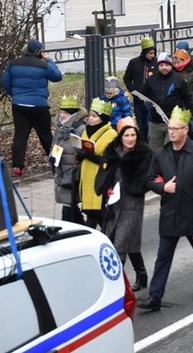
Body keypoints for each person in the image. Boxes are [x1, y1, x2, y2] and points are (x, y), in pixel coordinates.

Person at [138, 107, 193, 311]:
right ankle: (155, 296)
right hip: (171, 213)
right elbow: (148, 179)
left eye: (175, 128)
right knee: (163, 256)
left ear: (186, 130)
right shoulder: (161, 154)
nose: (171, 132)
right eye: (169, 128)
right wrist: (163, 187)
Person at [94, 118, 153, 291]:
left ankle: (115, 284)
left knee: (122, 240)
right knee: (127, 239)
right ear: (121, 136)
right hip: (114, 202)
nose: (130, 138)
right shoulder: (112, 151)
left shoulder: (144, 154)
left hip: (133, 202)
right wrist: (107, 190)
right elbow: (105, 175)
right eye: (126, 135)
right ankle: (141, 275)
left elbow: (147, 178)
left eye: (133, 135)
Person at [1, 39, 63, 176]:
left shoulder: (13, 63)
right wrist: (49, 61)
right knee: (46, 135)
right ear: (39, 51)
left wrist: (15, 95)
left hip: (19, 105)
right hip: (39, 105)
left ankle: (17, 167)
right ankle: (56, 163)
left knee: (20, 135)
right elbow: (58, 76)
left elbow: (5, 82)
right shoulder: (43, 65)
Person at [139, 52, 193, 150]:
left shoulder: (178, 79)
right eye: (161, 65)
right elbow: (142, 95)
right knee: (154, 150)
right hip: (155, 122)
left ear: (171, 65)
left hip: (173, 121)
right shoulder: (151, 80)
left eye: (167, 65)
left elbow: (187, 97)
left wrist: (191, 116)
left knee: (171, 149)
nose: (164, 67)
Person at [76, 98, 117, 229]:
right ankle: (109, 236)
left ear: (102, 118)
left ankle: (109, 237)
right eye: (89, 116)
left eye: (94, 116)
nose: (90, 119)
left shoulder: (111, 134)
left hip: (100, 179)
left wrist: (88, 155)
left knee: (95, 213)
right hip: (86, 177)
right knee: (92, 213)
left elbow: (110, 159)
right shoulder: (85, 131)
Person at [50, 95, 87, 223]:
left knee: (68, 205)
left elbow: (82, 151)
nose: (62, 115)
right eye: (61, 112)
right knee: (70, 204)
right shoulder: (60, 127)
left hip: (72, 171)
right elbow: (54, 145)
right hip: (61, 169)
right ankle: (84, 229)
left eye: (65, 113)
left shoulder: (80, 129)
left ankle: (66, 230)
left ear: (72, 114)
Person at [123, 36, 158, 142]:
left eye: (154, 53)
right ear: (144, 52)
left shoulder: (156, 63)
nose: (152, 56)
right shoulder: (134, 63)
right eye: (150, 53)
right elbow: (127, 78)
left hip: (151, 100)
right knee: (142, 126)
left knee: (149, 126)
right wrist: (133, 90)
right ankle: (143, 146)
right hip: (138, 100)